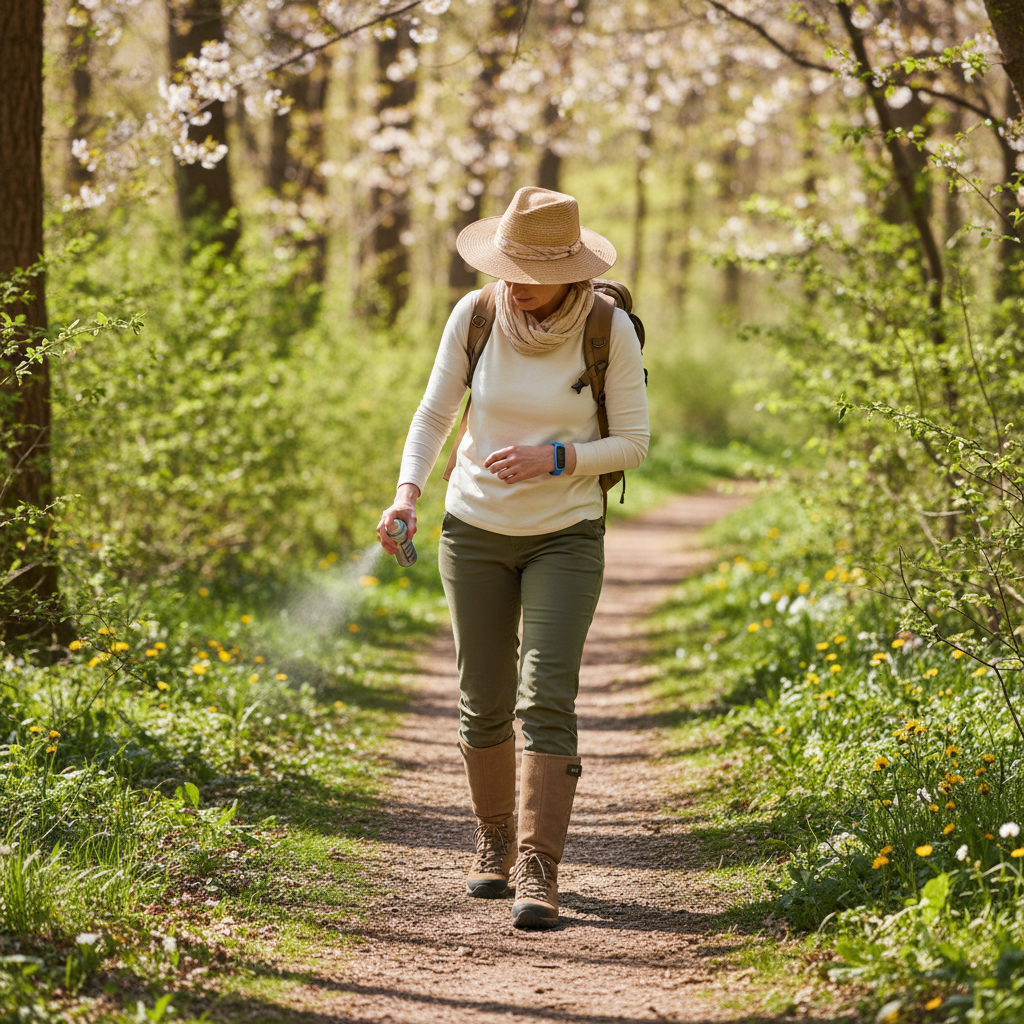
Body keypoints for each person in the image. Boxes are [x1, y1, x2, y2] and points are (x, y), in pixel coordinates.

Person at [377, 186, 649, 929]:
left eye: (533, 269)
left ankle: (539, 863)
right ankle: (492, 841)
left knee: (547, 695)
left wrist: (555, 457)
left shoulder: (607, 328)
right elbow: (434, 413)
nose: (516, 281)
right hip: (472, 530)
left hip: (566, 532)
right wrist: (406, 493)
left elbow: (633, 443)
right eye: (508, 264)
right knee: (484, 698)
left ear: (572, 268)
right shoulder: (475, 316)